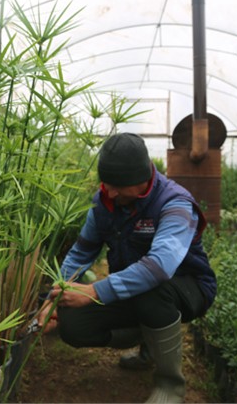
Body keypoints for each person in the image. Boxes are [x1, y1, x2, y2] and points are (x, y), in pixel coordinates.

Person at [37, 133, 216, 403]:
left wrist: (94, 291)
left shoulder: (175, 204)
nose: (109, 192)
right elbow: (81, 252)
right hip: (135, 290)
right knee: (72, 324)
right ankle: (148, 342)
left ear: (142, 179)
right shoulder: (103, 204)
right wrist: (57, 293)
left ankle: (171, 385)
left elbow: (159, 267)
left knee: (154, 292)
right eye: (106, 183)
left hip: (187, 288)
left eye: (117, 185)